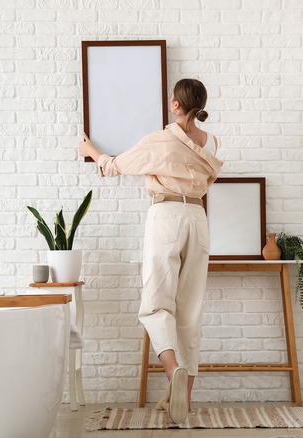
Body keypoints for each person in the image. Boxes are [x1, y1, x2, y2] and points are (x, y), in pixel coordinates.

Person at [78, 78, 223, 424]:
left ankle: (173, 372)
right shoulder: (212, 142)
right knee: (190, 310)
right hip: (198, 219)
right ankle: (183, 402)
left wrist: (92, 153)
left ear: (175, 105)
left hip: (167, 216)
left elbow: (116, 166)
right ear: (200, 106)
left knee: (156, 303)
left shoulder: (158, 141)